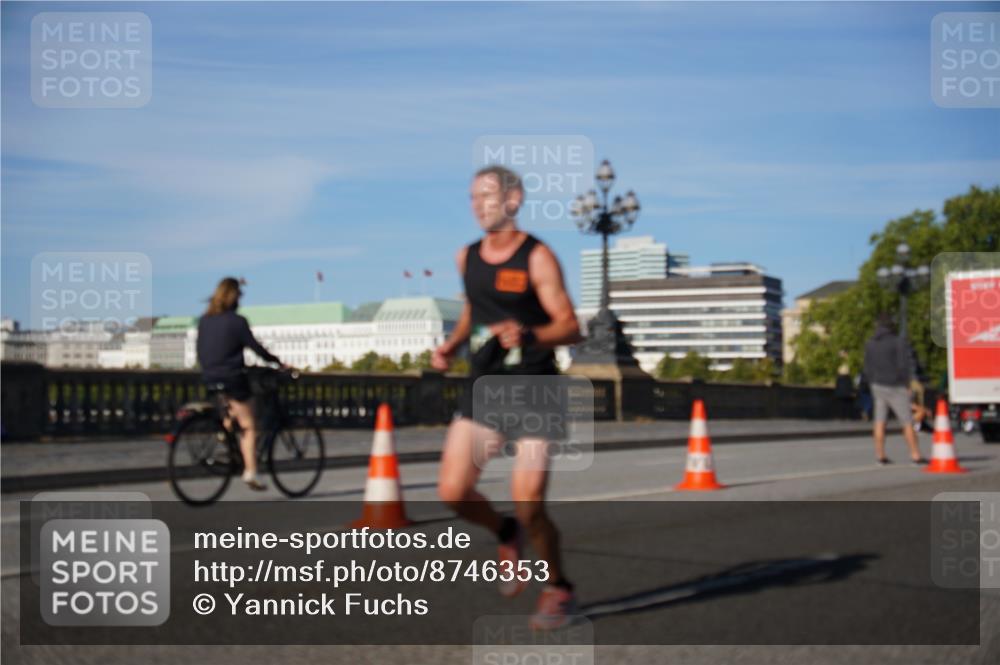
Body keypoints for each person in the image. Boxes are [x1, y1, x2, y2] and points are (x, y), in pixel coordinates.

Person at [432, 165, 582, 630]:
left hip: (537, 385)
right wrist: (454, 343)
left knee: (529, 500)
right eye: (473, 197)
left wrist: (531, 334)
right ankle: (505, 532)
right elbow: (475, 307)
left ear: (513, 200)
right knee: (452, 492)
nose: (479, 205)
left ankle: (557, 587)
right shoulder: (466, 256)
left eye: (488, 197)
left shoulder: (538, 256)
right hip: (487, 383)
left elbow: (571, 325)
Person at [196, 277, 285, 491]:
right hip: (232, 377)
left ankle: (223, 435)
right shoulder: (237, 321)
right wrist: (278, 362)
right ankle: (251, 472)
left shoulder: (204, 320)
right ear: (234, 297)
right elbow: (256, 348)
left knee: (230, 410)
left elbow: (201, 350)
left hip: (209, 376)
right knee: (248, 424)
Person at [862, 312, 926, 466]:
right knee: (907, 421)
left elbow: (867, 367)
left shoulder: (870, 343)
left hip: (877, 385)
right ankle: (915, 455)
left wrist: (873, 381)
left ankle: (880, 455)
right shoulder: (898, 342)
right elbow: (905, 365)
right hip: (896, 386)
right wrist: (908, 383)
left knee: (879, 421)